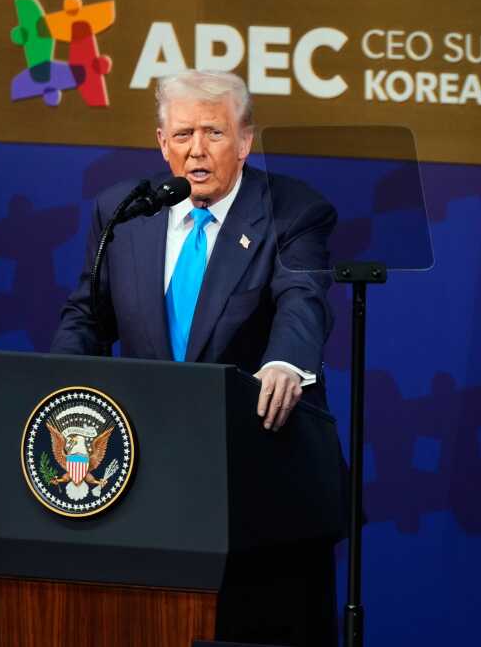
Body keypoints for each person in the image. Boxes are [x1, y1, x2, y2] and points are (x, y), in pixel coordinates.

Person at [51, 69, 339, 646]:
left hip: (257, 472)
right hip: (147, 469)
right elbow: (88, 314)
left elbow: (302, 298)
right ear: (162, 143)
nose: (197, 151)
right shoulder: (123, 211)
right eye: (182, 135)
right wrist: (57, 381)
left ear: (246, 140)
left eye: (214, 133)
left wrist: (285, 362)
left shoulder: (292, 210)